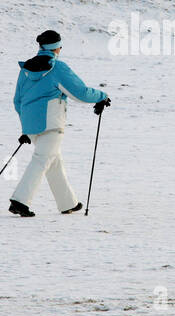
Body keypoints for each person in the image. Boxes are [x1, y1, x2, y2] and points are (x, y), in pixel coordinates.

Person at [10, 30, 110, 216]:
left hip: (32, 125)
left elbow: (18, 101)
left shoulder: (25, 70)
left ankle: (67, 203)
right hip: (52, 123)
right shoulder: (57, 68)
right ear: (57, 48)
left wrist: (26, 126)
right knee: (42, 160)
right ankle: (19, 201)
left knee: (53, 161)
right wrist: (102, 96)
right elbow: (80, 92)